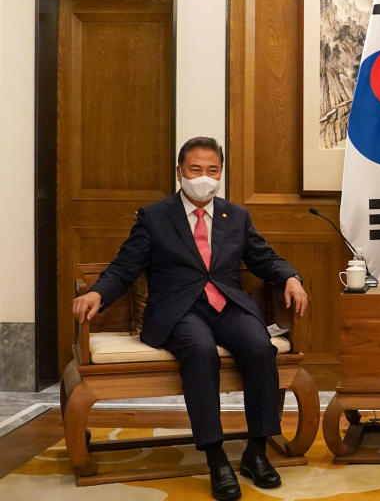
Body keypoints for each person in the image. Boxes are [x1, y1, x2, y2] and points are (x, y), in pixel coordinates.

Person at [72, 137, 308, 501]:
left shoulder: (237, 215)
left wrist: (291, 277)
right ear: (180, 171)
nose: (204, 177)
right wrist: (96, 293)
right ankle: (216, 459)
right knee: (200, 352)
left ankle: (256, 452)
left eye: (212, 170)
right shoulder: (154, 216)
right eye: (196, 169)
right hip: (178, 309)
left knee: (261, 347)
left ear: (221, 174)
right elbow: (124, 266)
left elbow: (265, 258)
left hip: (227, 305)